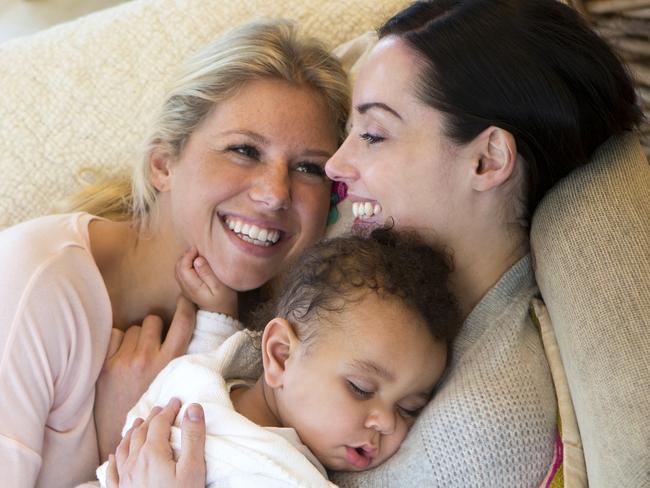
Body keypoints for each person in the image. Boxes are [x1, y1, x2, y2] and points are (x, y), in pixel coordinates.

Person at [105, 1, 643, 486]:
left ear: (487, 161)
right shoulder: (369, 252)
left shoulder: (478, 437)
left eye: (373, 134)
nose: (335, 167)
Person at [0, 19, 350, 488]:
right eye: (244, 150)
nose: (275, 193)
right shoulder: (34, 282)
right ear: (163, 164)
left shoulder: (273, 346)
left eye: (309, 167)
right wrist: (114, 441)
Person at [94, 229, 461, 487]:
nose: (385, 422)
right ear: (281, 356)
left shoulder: (282, 474)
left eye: (409, 409)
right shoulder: (209, 380)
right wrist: (218, 315)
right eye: (361, 388)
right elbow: (208, 362)